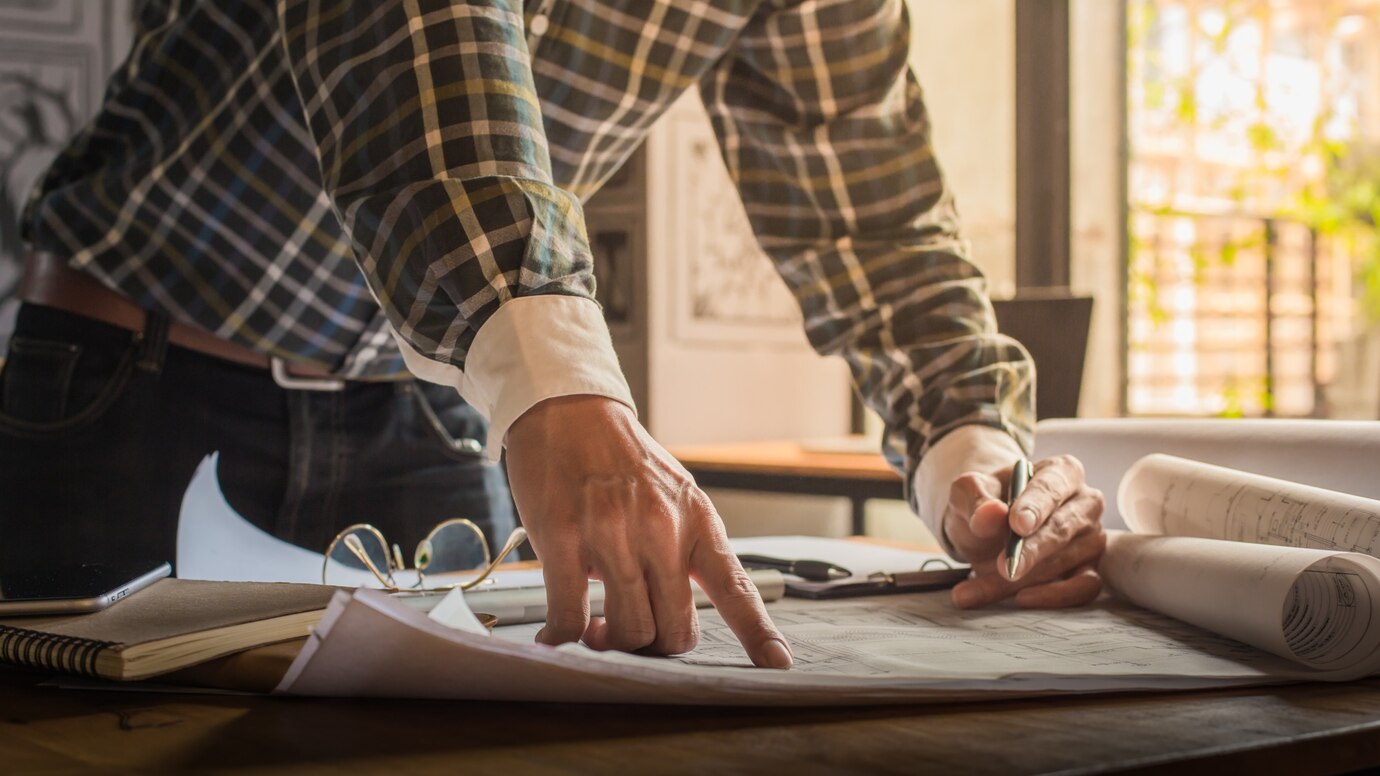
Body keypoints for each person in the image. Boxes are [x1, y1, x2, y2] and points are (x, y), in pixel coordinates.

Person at [1, 0, 1106, 669]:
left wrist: (977, 463)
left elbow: (878, 220)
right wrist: (555, 378)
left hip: (432, 404)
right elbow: (420, 41)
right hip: (134, 386)